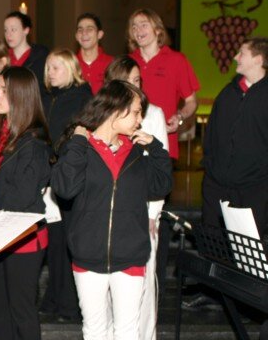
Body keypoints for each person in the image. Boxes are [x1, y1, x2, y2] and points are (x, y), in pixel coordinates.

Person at [51, 80, 172, 340]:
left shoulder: (136, 152)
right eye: (136, 112)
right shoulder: (81, 147)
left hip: (130, 256)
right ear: (116, 109)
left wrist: (156, 148)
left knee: (127, 331)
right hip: (87, 255)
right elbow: (64, 188)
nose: (140, 120)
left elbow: (161, 185)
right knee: (94, 330)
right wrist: (78, 142)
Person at [0, 66, 51, 340]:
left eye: (3, 90)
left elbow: (22, 196)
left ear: (20, 95)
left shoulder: (35, 142)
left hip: (22, 238)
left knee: (21, 310)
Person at [104, 55, 168, 340]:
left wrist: (153, 213)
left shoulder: (153, 115)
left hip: (142, 210)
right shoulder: (103, 116)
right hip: (109, 211)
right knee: (108, 290)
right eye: (128, 80)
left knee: (143, 286)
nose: (135, 85)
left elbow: (161, 169)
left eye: (138, 80)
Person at [39, 48, 92, 322]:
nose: (50, 72)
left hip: (71, 179)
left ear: (71, 68)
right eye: (48, 67)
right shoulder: (49, 97)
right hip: (50, 178)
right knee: (55, 241)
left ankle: (70, 303)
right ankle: (54, 297)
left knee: (69, 241)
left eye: (56, 67)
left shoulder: (82, 98)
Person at [202, 37, 268, 238]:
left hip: (253, 191)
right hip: (216, 188)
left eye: (242, 53)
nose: (235, 57)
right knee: (213, 246)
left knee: (249, 249)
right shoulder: (227, 94)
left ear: (258, 59)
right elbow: (211, 136)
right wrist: (211, 168)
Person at [127, 8, 200, 160]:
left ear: (158, 30)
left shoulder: (177, 60)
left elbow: (191, 101)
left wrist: (179, 116)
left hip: (163, 140)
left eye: (143, 25)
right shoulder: (127, 62)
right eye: (134, 27)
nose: (138, 30)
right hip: (130, 143)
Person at [4, 11, 49, 88]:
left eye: (13, 29)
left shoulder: (41, 56)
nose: (8, 34)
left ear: (26, 30)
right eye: (5, 30)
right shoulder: (3, 57)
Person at [75, 13, 113, 95]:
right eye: (80, 30)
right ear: (76, 36)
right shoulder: (70, 64)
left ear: (100, 34)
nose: (84, 33)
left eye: (89, 29)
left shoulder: (112, 64)